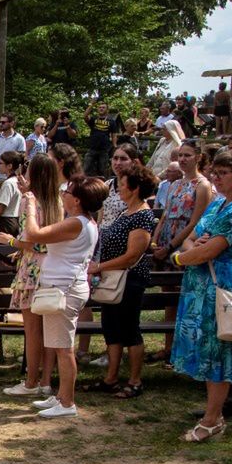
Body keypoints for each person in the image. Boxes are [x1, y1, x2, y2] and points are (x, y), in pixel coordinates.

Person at [169, 150, 232, 441]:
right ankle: (215, 411)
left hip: (222, 286)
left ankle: (212, 420)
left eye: (223, 173)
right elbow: (192, 237)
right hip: (201, 284)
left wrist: (180, 258)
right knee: (205, 349)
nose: (216, 177)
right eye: (215, 172)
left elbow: (209, 249)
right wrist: (192, 249)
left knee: (218, 352)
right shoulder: (219, 201)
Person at [22, 176, 107, 419]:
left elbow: (34, 233)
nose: (63, 194)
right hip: (60, 288)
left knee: (64, 349)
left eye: (67, 192)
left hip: (65, 290)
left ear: (78, 200)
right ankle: (62, 396)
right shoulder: (79, 221)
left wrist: (30, 204)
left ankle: (67, 402)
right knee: (60, 346)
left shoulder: (77, 223)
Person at [89, 164, 158, 398]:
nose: (118, 188)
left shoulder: (142, 216)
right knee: (112, 330)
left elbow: (132, 256)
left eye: (122, 184)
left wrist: (100, 267)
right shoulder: (125, 212)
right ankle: (111, 378)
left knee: (129, 330)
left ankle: (135, 380)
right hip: (113, 278)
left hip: (130, 280)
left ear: (135, 188)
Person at [0, 153, 64, 397]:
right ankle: (45, 381)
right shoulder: (56, 200)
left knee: (33, 331)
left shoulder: (30, 199)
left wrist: (12, 241)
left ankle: (30, 382)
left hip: (32, 271)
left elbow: (33, 241)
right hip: (50, 268)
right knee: (48, 330)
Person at [0, 150, 25, 239]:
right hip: (14, 221)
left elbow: (1, 207)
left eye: (1, 163)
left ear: (9, 166)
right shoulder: (17, 181)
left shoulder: (9, 183)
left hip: (5, 223)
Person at [83, 102, 121, 177]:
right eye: (100, 107)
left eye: (103, 107)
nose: (101, 109)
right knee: (86, 168)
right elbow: (85, 116)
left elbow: (114, 134)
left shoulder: (111, 121)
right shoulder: (94, 119)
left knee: (102, 170)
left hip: (104, 149)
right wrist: (91, 105)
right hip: (92, 148)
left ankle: (103, 186)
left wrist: (114, 146)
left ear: (107, 110)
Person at [0, 114, 26, 185]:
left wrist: (20, 176)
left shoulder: (20, 139)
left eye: (3, 122)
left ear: (11, 123)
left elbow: (22, 159)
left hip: (12, 177)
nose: (0, 124)